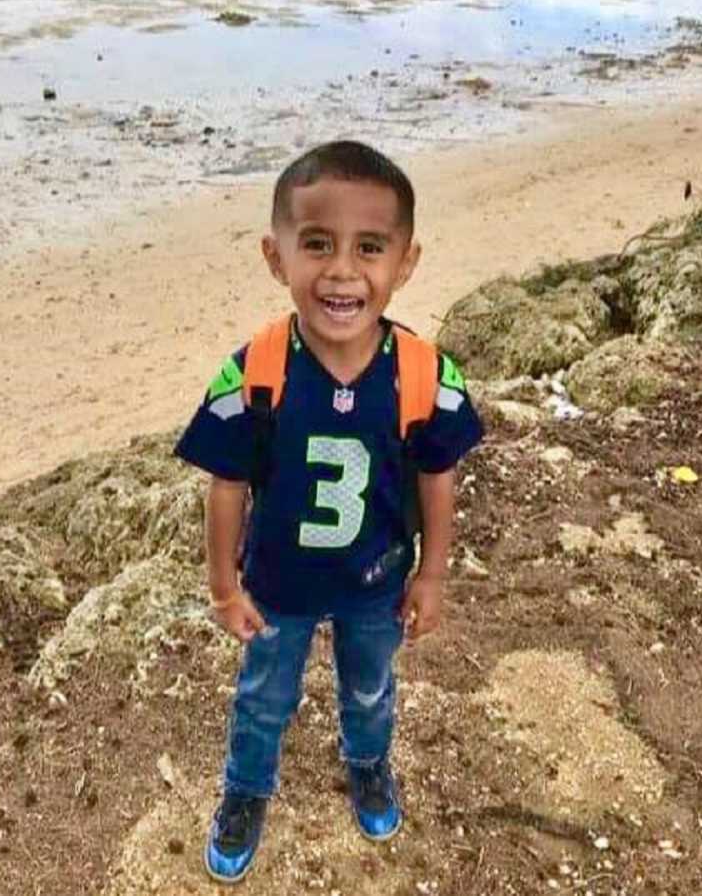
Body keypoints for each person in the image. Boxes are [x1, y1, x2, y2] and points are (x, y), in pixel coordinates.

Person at [175, 140, 483, 883]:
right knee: (262, 699)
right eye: (317, 245)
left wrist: (432, 574)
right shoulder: (254, 370)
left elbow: (439, 474)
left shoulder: (423, 373)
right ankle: (247, 791)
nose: (342, 271)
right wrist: (224, 585)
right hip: (276, 588)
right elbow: (225, 484)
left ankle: (370, 765)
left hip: (376, 582)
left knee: (372, 688)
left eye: (369, 248)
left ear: (405, 262)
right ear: (275, 256)